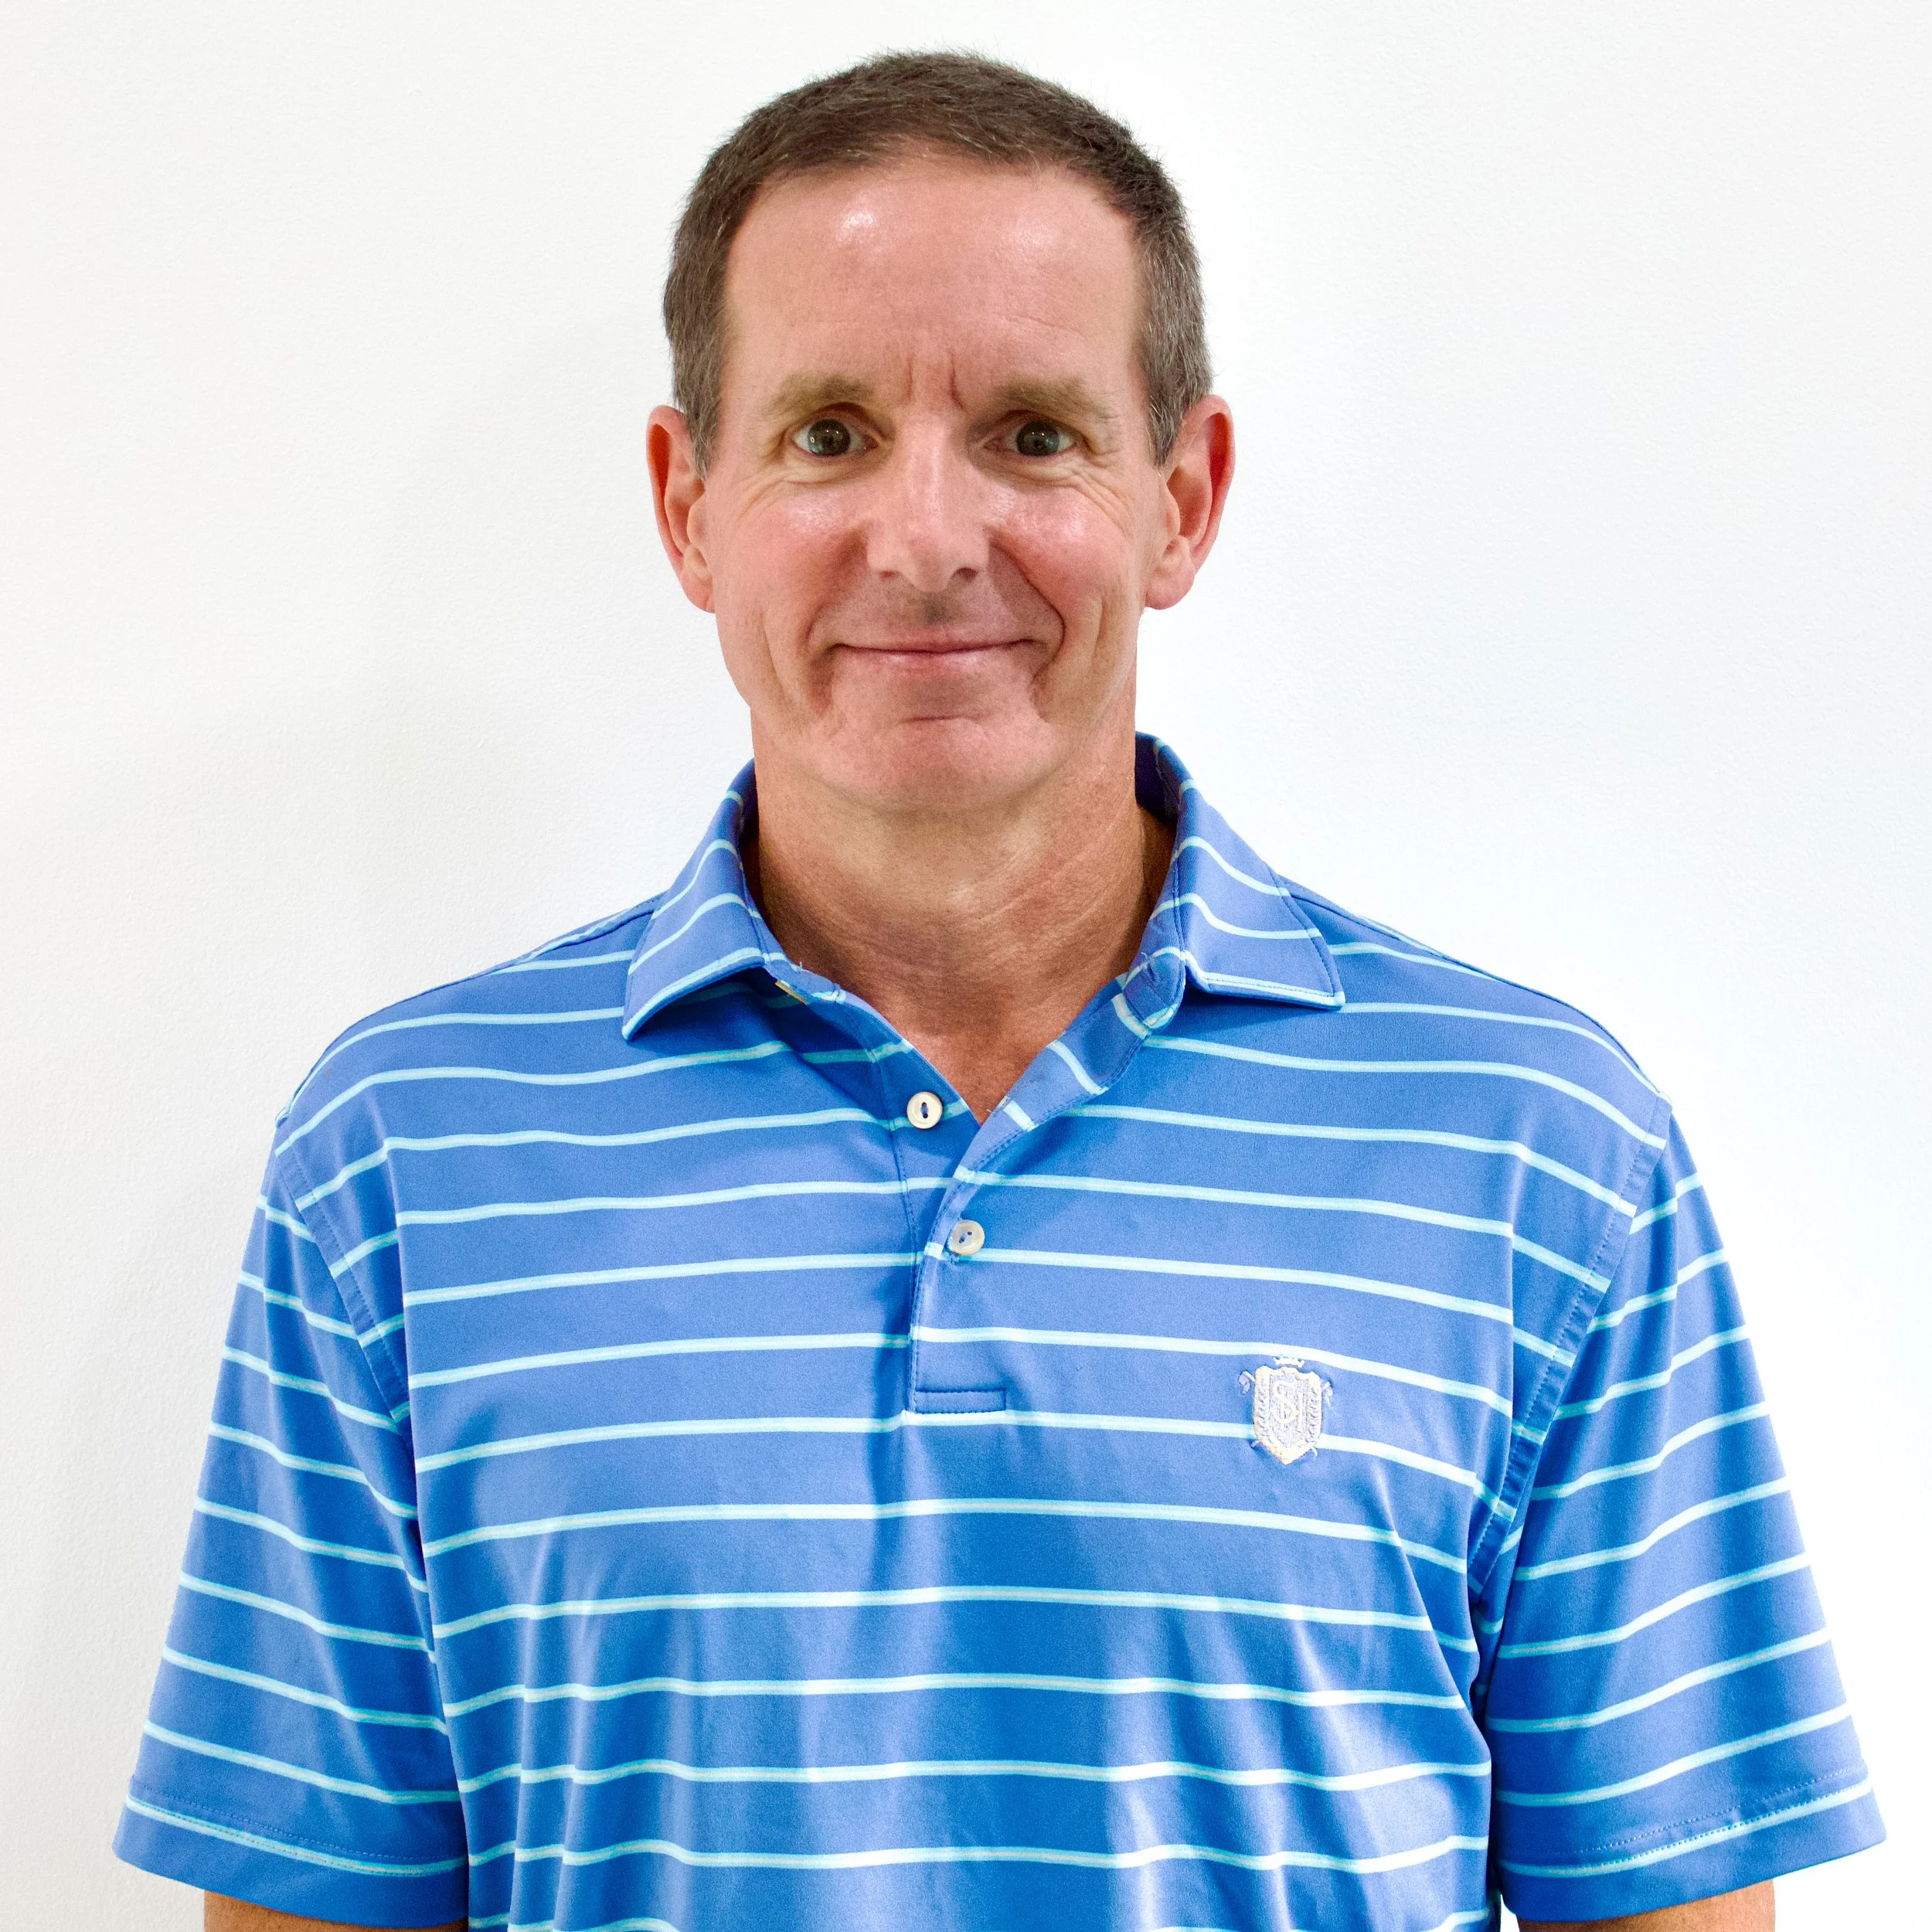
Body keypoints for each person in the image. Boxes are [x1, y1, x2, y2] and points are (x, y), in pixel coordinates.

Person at [114, 50, 1882, 1932]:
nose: (928, 536)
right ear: (686, 502)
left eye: (1032, 432)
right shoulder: (408, 1151)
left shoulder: (1532, 1144)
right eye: (824, 433)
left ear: (1180, 496)